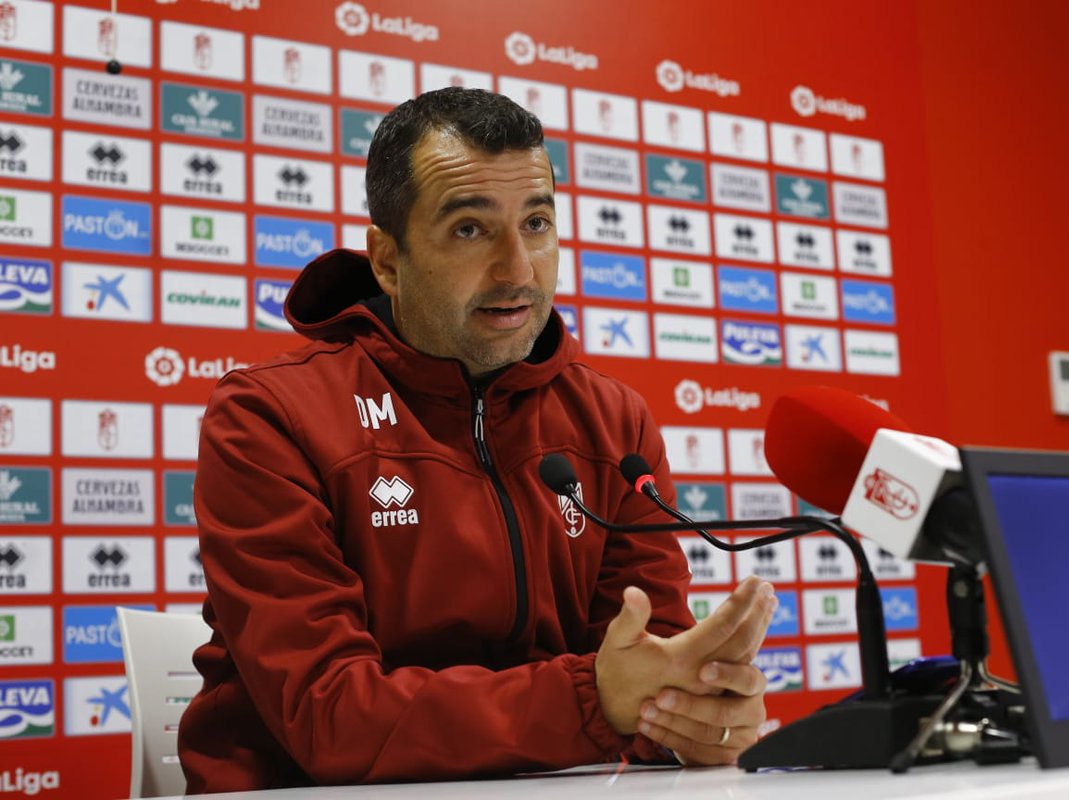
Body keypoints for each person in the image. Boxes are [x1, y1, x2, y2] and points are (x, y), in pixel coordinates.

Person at [178, 87, 775, 793]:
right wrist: (597, 699)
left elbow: (647, 674)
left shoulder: (615, 422)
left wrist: (697, 714)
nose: (518, 270)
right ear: (388, 259)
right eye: (470, 229)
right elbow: (329, 719)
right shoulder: (271, 413)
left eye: (537, 223)